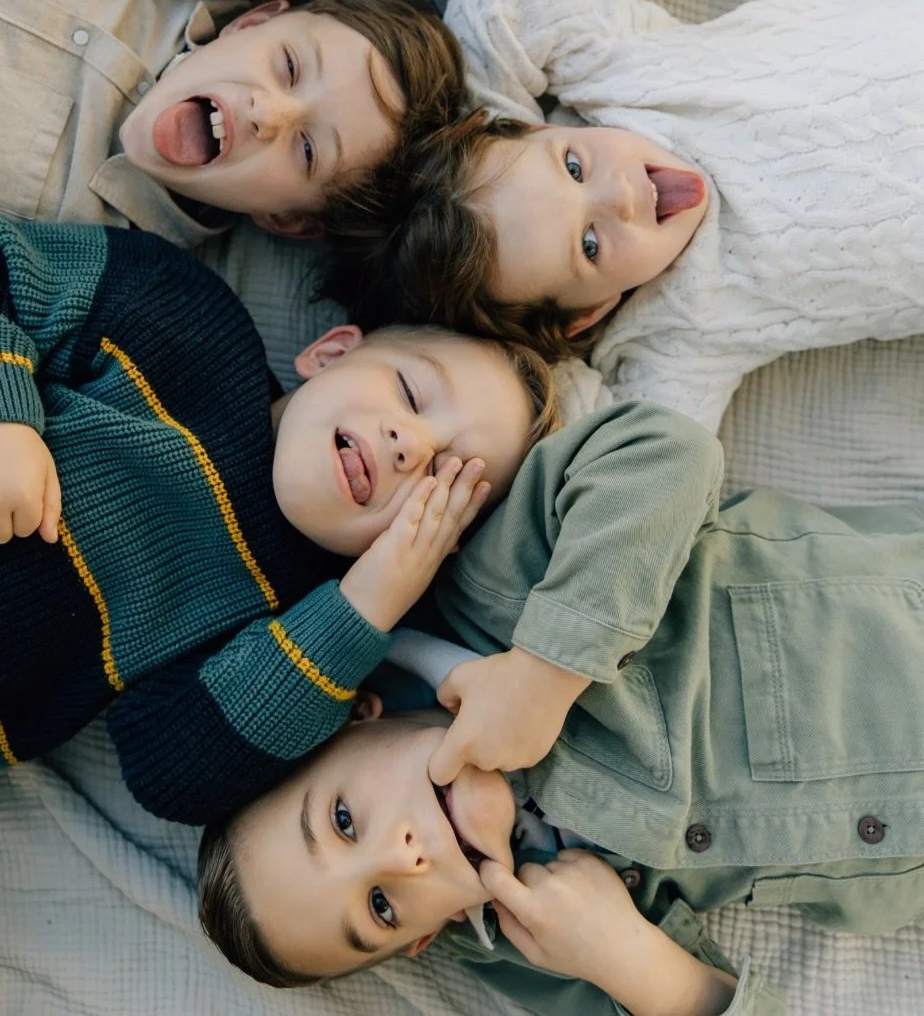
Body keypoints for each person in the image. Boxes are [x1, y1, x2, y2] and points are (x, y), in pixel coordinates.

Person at [0, 206, 558, 1015]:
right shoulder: (184, 321)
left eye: (445, 485)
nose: (410, 448)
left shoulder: (300, 632)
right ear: (331, 352)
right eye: (411, 393)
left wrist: (366, 603)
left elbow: (170, 765)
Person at [196, 398, 924, 1014]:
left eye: (345, 820)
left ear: (358, 715)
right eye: (382, 907)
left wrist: (546, 671)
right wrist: (636, 962)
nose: (401, 856)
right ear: (428, 936)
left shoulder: (491, 597)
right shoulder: (534, 942)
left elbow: (664, 451)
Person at [320, 0, 924, 430]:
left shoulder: (623, 78)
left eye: (575, 167)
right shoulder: (678, 338)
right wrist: (534, 363)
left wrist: (485, 121)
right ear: (590, 313)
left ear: (535, 125)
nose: (622, 197)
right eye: (589, 245)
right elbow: (642, 456)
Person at [0, 0, 464, 401]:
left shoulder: (82, 263)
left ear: (288, 220)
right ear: (252, 21)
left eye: (306, 150)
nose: (265, 112)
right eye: (289, 67)